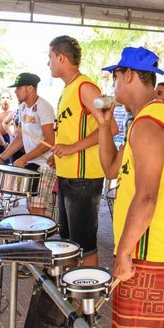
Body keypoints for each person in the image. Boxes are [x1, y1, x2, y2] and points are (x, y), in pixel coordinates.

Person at [96, 46, 164, 328]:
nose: (114, 85)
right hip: (144, 250)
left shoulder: (149, 123)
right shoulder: (141, 120)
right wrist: (103, 125)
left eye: (116, 77)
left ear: (131, 75)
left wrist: (123, 252)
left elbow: (147, 196)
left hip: (150, 252)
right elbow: (112, 169)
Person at [48, 35, 118, 267]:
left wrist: (71, 148)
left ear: (61, 57)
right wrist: (59, 152)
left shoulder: (85, 87)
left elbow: (112, 127)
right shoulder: (68, 89)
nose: (48, 63)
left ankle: (87, 301)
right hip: (68, 175)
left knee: (85, 247)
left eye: (50, 58)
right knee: (69, 243)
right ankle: (71, 296)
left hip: (84, 178)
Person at [0, 73, 56, 216]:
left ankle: (40, 238)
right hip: (31, 164)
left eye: (18, 88)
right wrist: (2, 158)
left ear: (30, 88)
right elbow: (20, 138)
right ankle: (37, 237)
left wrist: (23, 158)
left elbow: (49, 140)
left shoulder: (44, 107)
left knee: (37, 210)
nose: (15, 91)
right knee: (30, 208)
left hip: (45, 165)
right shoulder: (22, 107)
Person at [0, 90, 14, 161]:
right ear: (0, 99)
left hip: (9, 138)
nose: (5, 99)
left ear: (10, 99)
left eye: (7, 98)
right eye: (3, 97)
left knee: (8, 159)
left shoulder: (14, 111)